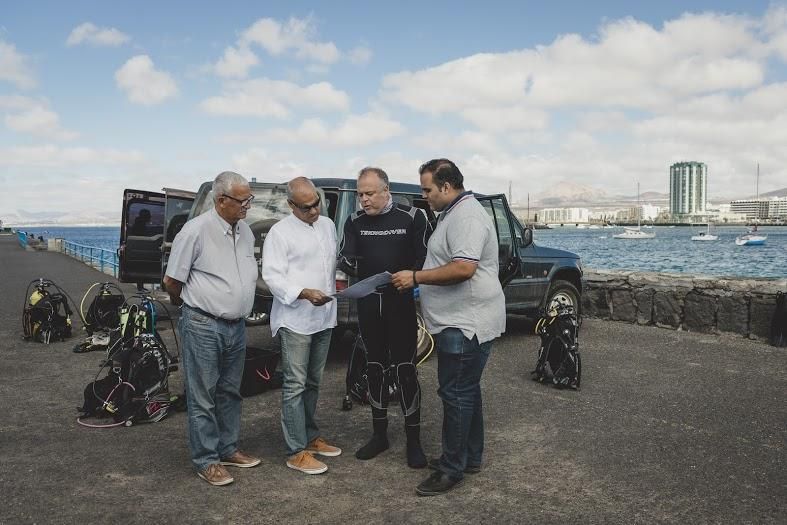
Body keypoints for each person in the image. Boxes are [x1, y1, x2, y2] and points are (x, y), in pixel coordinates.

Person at [391, 158, 506, 496]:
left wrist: (415, 277)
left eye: (427, 189)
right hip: (461, 321)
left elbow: (463, 269)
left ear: (446, 186)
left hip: (465, 323)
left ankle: (451, 469)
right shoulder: (453, 213)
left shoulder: (467, 217)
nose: (424, 195)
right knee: (466, 391)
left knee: (455, 393)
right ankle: (469, 457)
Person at [163, 171, 261, 486]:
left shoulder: (245, 231)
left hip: (236, 326)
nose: (248, 205)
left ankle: (228, 447)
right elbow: (171, 282)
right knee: (202, 394)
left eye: (250, 199)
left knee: (231, 391)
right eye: (243, 200)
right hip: (203, 324)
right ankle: (206, 460)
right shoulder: (195, 231)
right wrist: (196, 307)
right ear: (221, 200)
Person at [338, 167, 432, 468]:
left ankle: (413, 440)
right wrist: (348, 262)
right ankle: (380, 435)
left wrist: (412, 277)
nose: (363, 200)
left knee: (406, 370)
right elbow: (347, 258)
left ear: (386, 190)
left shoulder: (412, 217)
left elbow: (424, 260)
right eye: (359, 194)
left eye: (369, 193)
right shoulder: (355, 222)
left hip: (401, 304)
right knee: (375, 368)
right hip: (369, 305)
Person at [261, 177, 342, 475]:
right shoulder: (279, 233)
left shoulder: (328, 225)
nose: (313, 211)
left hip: (324, 316)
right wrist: (304, 292)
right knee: (294, 385)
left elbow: (330, 264)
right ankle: (295, 450)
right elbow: (272, 276)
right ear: (291, 205)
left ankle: (310, 435)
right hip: (295, 318)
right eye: (306, 207)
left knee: (313, 382)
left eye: (316, 203)